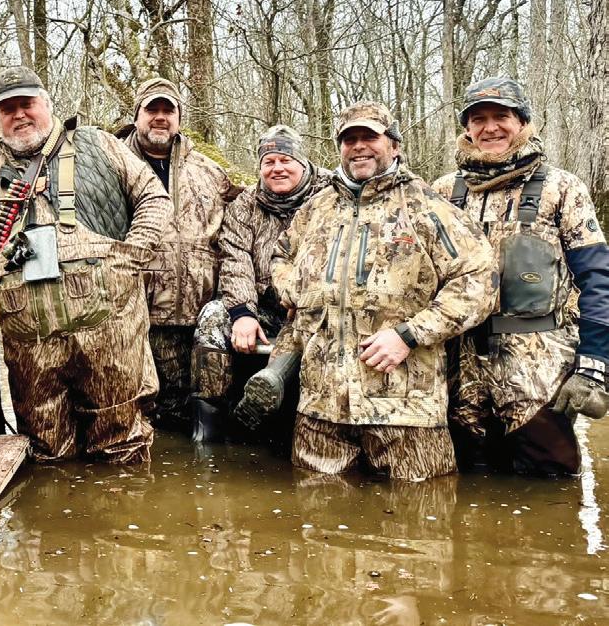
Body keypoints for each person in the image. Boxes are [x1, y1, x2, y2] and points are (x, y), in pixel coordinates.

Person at [271, 101, 496, 481]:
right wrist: (295, 291)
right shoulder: (317, 209)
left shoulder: (426, 206)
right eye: (349, 139)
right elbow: (282, 256)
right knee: (316, 509)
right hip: (321, 408)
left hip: (406, 410)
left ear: (393, 145)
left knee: (423, 508)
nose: (359, 146)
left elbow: (479, 279)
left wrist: (411, 334)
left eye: (369, 137)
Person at [0, 66, 171, 463]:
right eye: (8, 109)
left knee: (122, 453)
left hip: (110, 337)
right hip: (31, 347)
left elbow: (154, 199)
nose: (19, 115)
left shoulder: (97, 144)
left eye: (27, 104)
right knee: (46, 458)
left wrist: (130, 257)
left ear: (46, 103)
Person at [432, 77, 609, 476]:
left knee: (551, 483)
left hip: (539, 370)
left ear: (523, 122)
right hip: (459, 373)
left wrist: (594, 364)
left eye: (502, 116)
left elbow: (598, 278)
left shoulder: (561, 187)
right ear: (467, 128)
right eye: (479, 119)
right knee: (466, 483)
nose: (490, 128)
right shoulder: (443, 192)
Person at [113, 77, 241, 436]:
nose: (160, 117)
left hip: (198, 322)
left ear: (179, 118)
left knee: (193, 423)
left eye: (168, 110)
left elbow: (250, 210)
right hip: (136, 319)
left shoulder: (209, 171)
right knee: (140, 418)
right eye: (151, 109)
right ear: (136, 115)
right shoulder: (113, 164)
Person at [191, 125, 328, 446]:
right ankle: (208, 428)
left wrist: (305, 304)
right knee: (213, 316)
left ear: (302, 162)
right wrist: (242, 313)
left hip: (315, 308)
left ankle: (305, 423)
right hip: (264, 308)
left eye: (285, 160)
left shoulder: (329, 196)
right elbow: (234, 259)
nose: (277, 168)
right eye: (269, 162)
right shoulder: (245, 205)